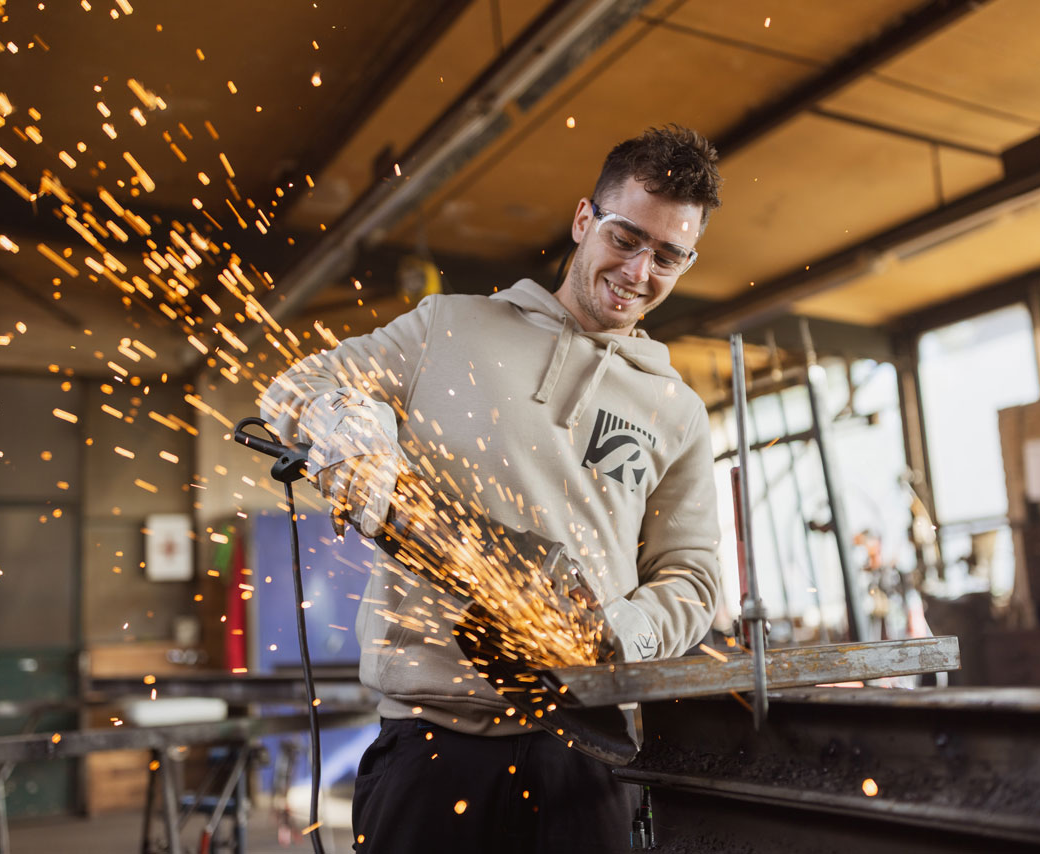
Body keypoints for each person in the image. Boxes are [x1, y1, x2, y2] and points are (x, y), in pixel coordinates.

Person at [260, 124, 724, 853]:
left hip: (584, 753)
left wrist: (616, 634)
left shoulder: (677, 411)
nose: (640, 271)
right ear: (583, 220)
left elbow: (693, 579)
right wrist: (346, 428)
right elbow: (297, 387)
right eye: (627, 239)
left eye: (668, 256)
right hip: (431, 751)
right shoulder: (449, 328)